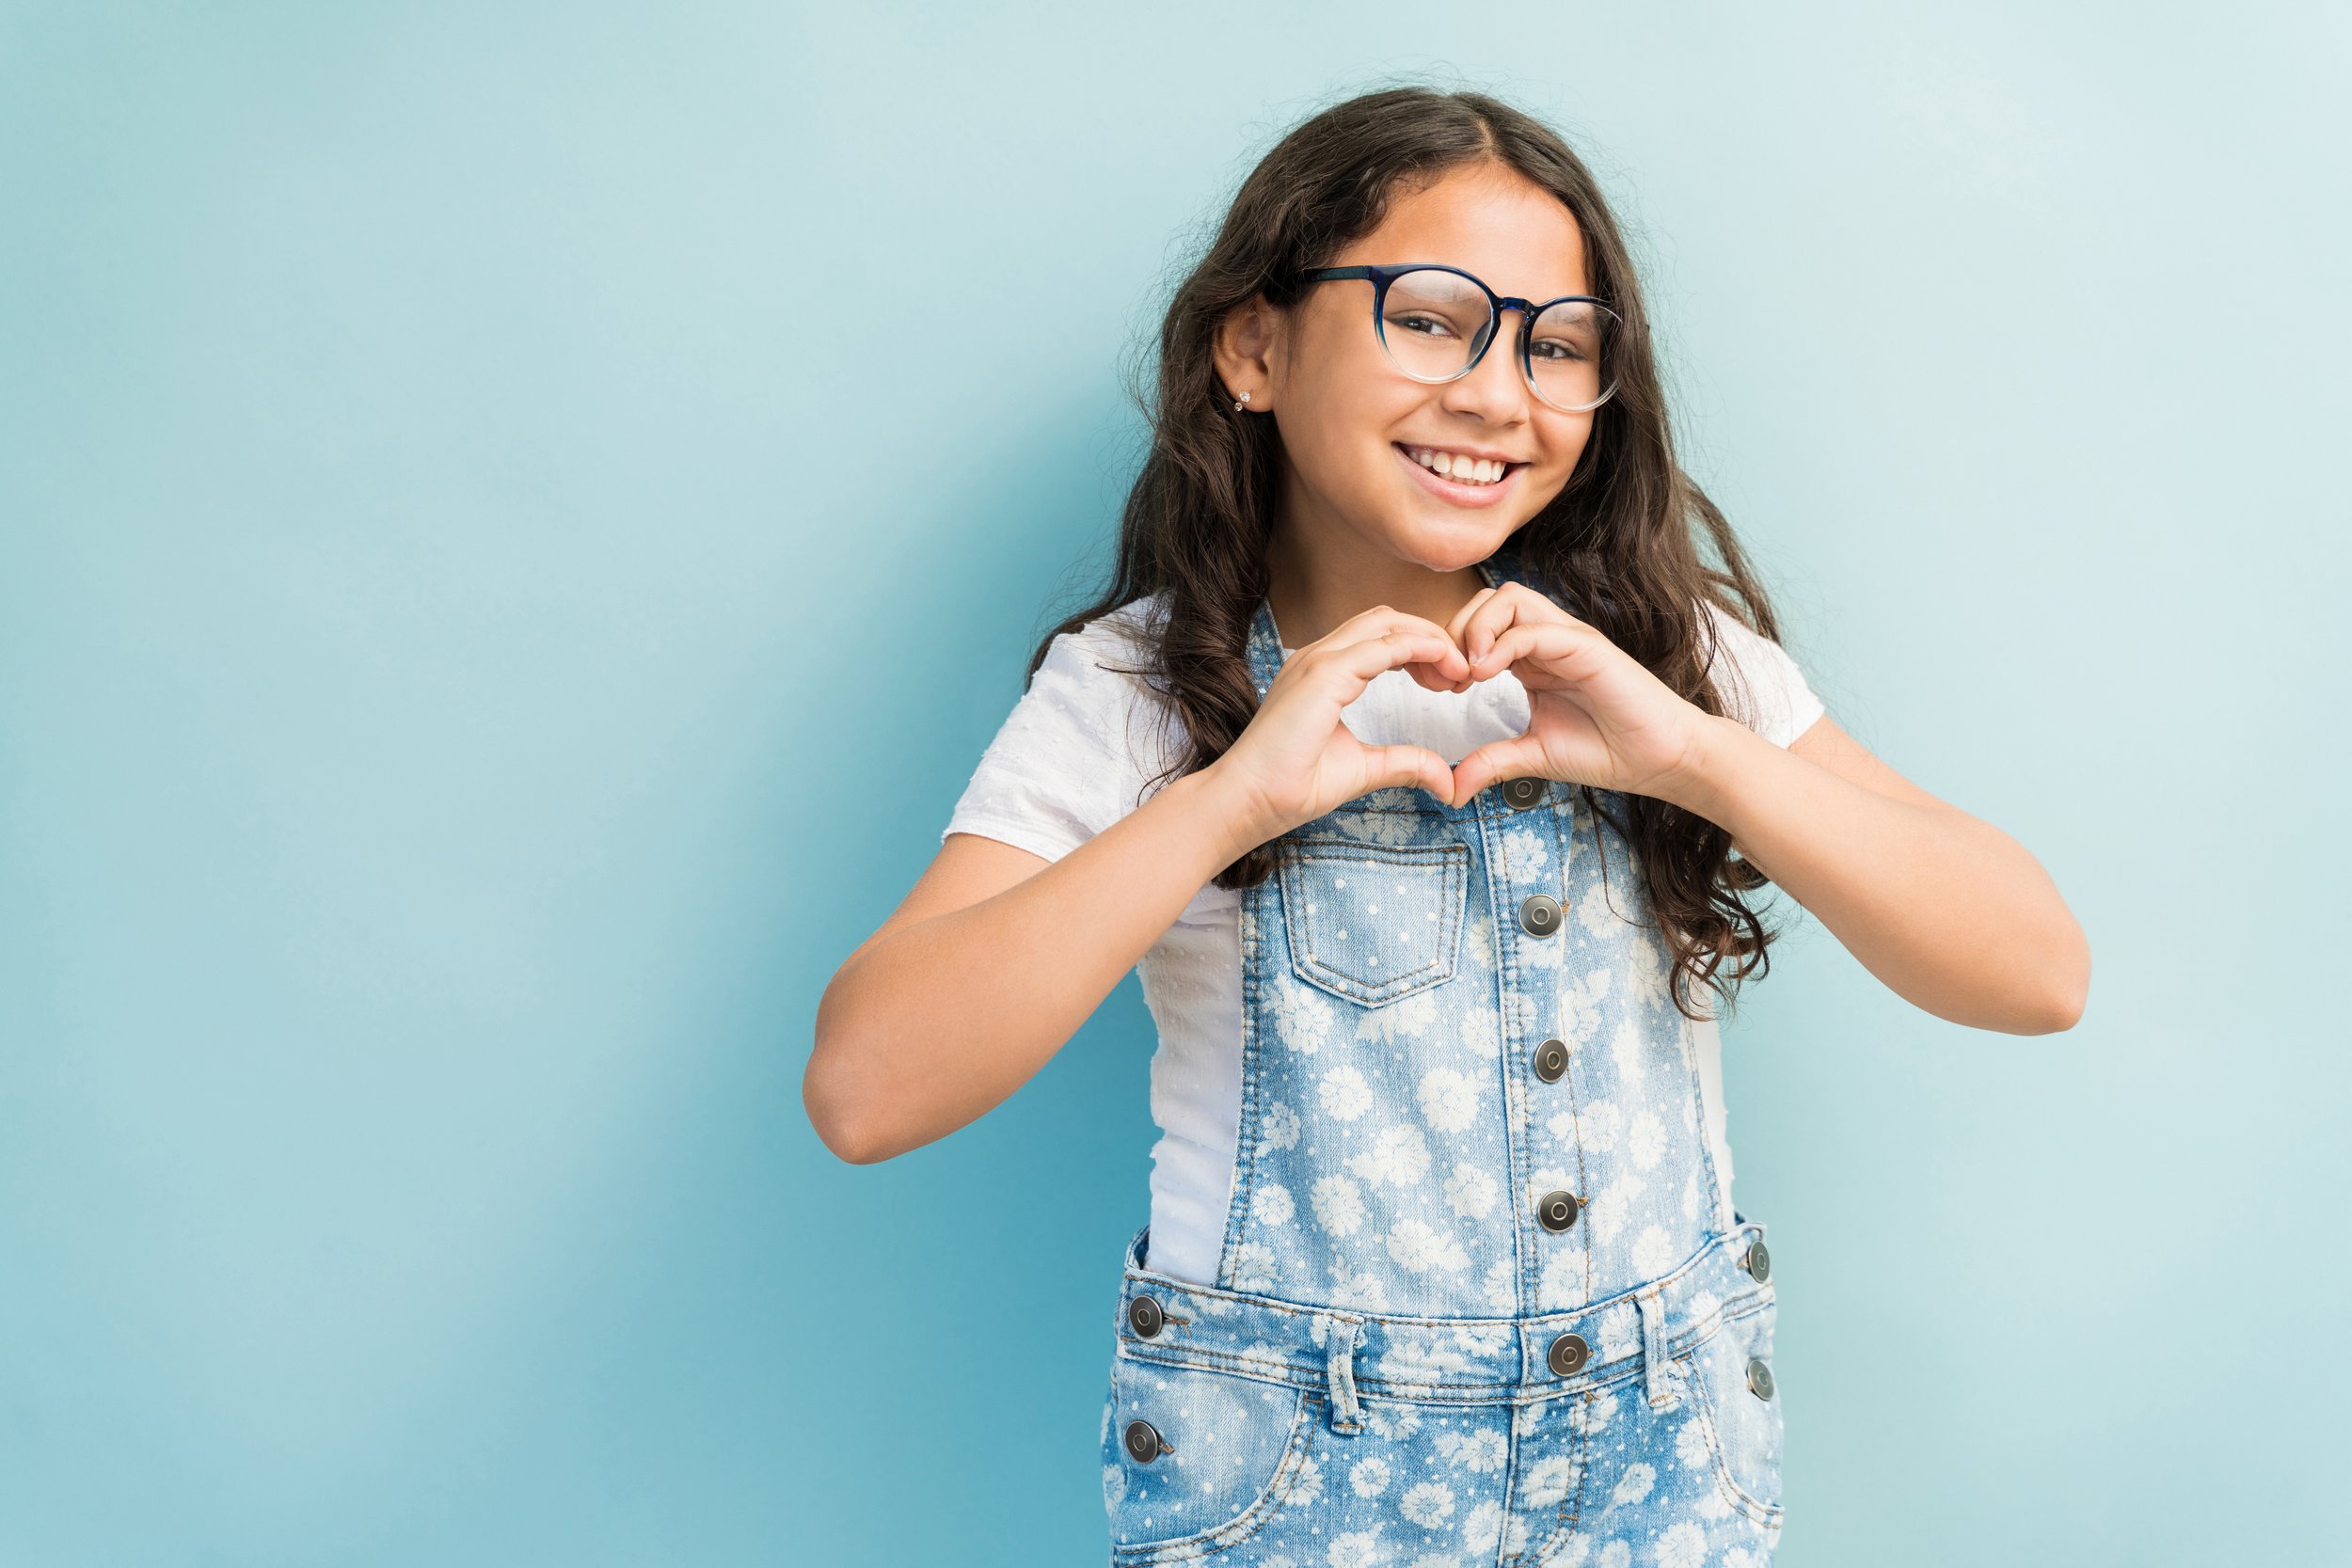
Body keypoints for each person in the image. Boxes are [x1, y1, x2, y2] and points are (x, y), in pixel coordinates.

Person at [806, 86, 2089, 1565]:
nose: (1499, 392)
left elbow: (2036, 971)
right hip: (1300, 1496)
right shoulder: (1147, 692)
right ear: (1255, 345)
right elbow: (866, 1088)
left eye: (1558, 344)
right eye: (1430, 317)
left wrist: (1697, 758)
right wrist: (1231, 798)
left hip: (1663, 1479)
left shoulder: (1678, 663)